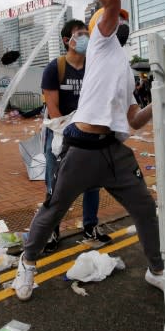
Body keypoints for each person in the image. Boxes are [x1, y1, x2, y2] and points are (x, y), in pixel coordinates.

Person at [12, 0, 163, 301]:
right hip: (81, 150)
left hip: (114, 152)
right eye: (116, 18)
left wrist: (158, 99)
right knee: (54, 209)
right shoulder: (100, 41)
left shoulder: (124, 69)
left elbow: (134, 121)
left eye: (124, 20)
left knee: (145, 208)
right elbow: (111, 0)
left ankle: (157, 269)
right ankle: (27, 264)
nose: (120, 21)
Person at [40, 19, 107, 252]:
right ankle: (52, 230)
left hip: (88, 132)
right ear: (67, 40)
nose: (86, 37)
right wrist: (69, 135)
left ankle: (90, 226)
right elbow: (53, 107)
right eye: (80, 33)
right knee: (55, 184)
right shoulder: (54, 68)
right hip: (60, 134)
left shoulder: (94, 66)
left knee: (92, 183)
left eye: (87, 33)